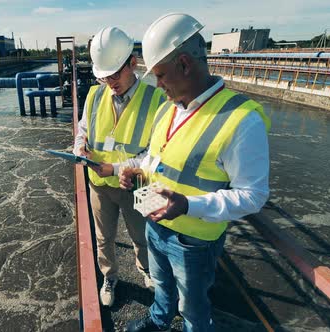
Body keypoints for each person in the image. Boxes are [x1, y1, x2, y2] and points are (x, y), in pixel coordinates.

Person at [122, 13, 271, 332]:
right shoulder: (167, 108)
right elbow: (155, 156)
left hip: (193, 241)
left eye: (160, 75)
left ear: (185, 64)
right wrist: (132, 168)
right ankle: (160, 319)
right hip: (155, 222)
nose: (157, 85)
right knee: (161, 286)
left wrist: (188, 205)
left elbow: (254, 195)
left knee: (193, 305)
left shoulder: (241, 120)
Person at [73, 26, 165, 307]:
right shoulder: (94, 95)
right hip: (99, 183)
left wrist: (114, 169)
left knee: (144, 234)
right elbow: (83, 129)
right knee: (104, 237)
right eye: (104, 76)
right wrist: (79, 146)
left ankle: (146, 269)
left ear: (132, 63)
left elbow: (155, 154)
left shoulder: (157, 99)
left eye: (115, 74)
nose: (110, 81)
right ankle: (109, 277)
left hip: (140, 182)